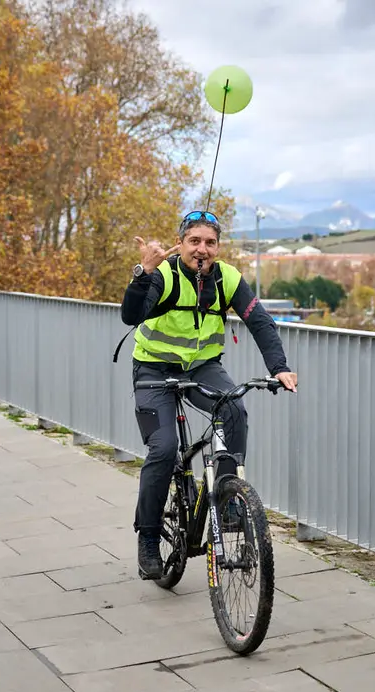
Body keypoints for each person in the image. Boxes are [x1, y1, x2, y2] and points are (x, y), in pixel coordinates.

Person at [121, 209, 298, 580]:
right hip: (154, 369)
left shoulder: (227, 279)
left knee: (234, 408)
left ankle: (228, 499)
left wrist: (278, 367)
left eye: (210, 242)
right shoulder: (164, 274)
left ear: (218, 247)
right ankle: (149, 537)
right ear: (181, 243)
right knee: (165, 448)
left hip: (202, 367)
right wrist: (144, 274)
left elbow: (260, 322)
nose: (202, 249)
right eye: (194, 241)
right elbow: (131, 315)